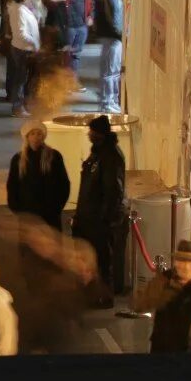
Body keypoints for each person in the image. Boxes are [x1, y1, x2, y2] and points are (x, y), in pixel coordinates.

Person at [74, 113, 130, 301]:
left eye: (92, 131)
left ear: (99, 134)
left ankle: (104, 296)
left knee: (104, 259)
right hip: (90, 217)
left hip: (100, 219)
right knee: (92, 258)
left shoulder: (110, 155)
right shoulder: (98, 152)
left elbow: (113, 190)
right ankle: (93, 293)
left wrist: (106, 218)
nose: (89, 134)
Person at [6, 122, 71, 231]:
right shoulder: (18, 159)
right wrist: (16, 209)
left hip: (50, 214)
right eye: (32, 134)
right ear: (27, 137)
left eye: (39, 134)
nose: (36, 137)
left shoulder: (54, 156)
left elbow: (64, 183)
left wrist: (57, 207)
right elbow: (12, 185)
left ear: (43, 136)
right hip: (27, 215)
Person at [90, 0, 125, 114]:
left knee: (112, 69)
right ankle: (107, 102)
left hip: (112, 35)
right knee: (110, 70)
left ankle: (111, 100)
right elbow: (114, 15)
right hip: (112, 35)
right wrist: (119, 33)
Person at [6, 0, 43, 115]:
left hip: (25, 48)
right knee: (20, 79)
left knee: (22, 78)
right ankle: (17, 107)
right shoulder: (18, 10)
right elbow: (21, 33)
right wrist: (34, 43)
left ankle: (22, 105)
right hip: (22, 49)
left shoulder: (20, 8)